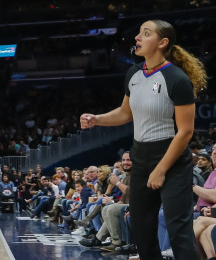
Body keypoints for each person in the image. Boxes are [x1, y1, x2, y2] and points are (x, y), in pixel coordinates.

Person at [80, 19, 209, 260]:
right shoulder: (133, 74)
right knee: (141, 228)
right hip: (141, 156)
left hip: (172, 160)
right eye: (139, 32)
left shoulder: (177, 78)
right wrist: (96, 119)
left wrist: (161, 170)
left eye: (146, 33)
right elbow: (124, 113)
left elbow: (185, 132)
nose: (138, 37)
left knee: (178, 230)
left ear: (162, 43)